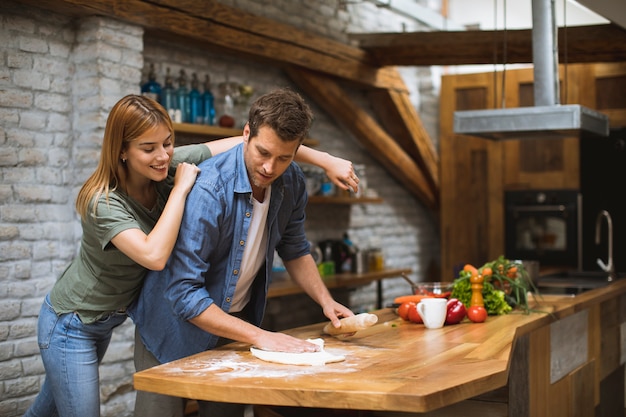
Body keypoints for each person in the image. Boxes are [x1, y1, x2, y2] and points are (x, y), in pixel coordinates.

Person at [24, 94, 358, 417]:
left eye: (167, 144)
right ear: (123, 151)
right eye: (149, 148)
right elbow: (157, 260)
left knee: (46, 411)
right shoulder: (107, 202)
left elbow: (231, 146)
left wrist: (326, 159)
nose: (161, 155)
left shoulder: (166, 164)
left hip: (114, 316)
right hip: (75, 321)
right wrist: (182, 189)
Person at [130, 88, 356, 417]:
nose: (269, 167)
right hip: (170, 330)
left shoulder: (291, 182)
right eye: (263, 152)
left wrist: (325, 300)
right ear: (246, 133)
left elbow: (294, 248)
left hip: (230, 327)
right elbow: (183, 293)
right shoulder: (210, 189)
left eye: (284, 157)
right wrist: (261, 336)